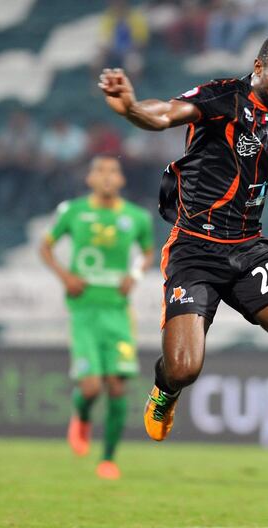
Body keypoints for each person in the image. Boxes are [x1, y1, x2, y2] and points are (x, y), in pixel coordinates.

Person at [98, 32, 268, 521]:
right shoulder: (221, 98)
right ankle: (165, 390)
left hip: (249, 251)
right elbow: (162, 114)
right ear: (260, 66)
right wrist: (128, 110)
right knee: (184, 367)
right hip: (194, 251)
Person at [40, 155, 155, 480]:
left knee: (117, 386)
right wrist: (66, 277)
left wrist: (134, 273)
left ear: (121, 180)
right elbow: (45, 247)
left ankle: (108, 459)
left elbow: (147, 252)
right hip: (85, 310)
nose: (107, 176)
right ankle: (82, 415)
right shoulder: (73, 211)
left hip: (118, 311)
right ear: (89, 179)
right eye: (100, 171)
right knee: (91, 387)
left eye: (114, 171)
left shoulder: (136, 218)